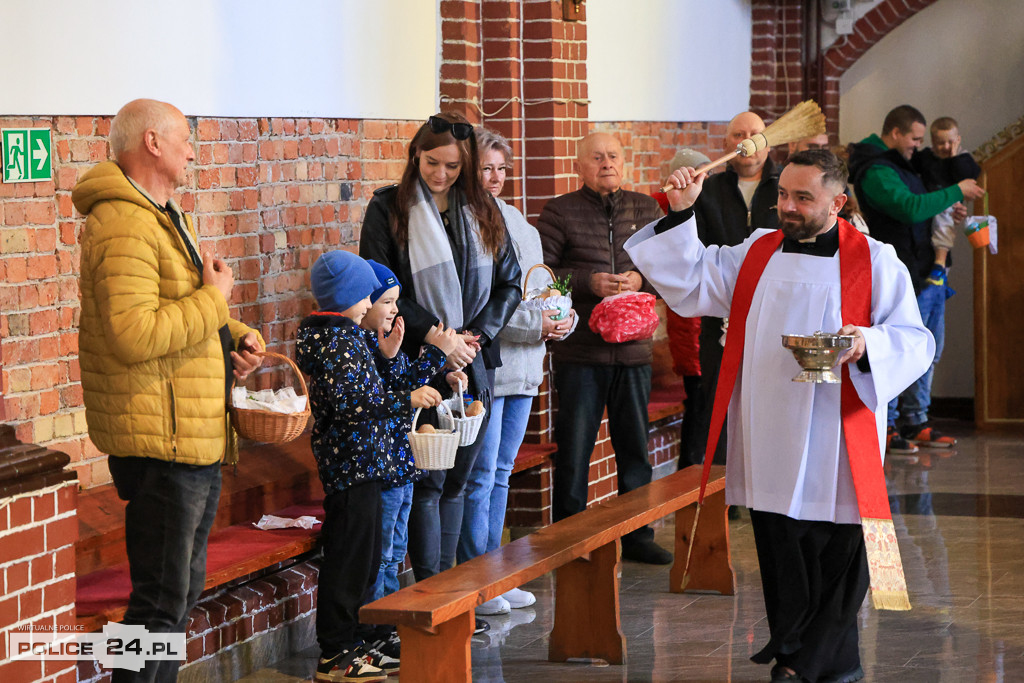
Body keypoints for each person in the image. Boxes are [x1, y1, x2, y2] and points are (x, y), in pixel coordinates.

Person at [625, 149, 934, 683]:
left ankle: (805, 663)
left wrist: (866, 342)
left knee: (843, 548)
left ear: (837, 202)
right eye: (782, 195)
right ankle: (797, 653)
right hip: (769, 424)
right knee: (780, 546)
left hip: (839, 427)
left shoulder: (876, 259)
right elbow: (694, 283)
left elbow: (915, 340)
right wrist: (680, 213)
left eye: (802, 198)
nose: (786, 207)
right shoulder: (759, 250)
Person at [73, 99, 264, 683]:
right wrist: (215, 302)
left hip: (190, 437)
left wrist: (235, 333)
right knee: (155, 606)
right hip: (158, 444)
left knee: (176, 600)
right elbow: (134, 335)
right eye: (184, 138)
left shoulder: (163, 213)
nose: (192, 149)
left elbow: (184, 305)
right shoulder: (123, 222)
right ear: (151, 143)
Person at [359, 113, 522, 591]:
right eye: (432, 163)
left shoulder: (483, 208)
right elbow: (380, 284)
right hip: (417, 360)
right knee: (429, 482)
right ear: (416, 156)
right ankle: (435, 594)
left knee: (462, 483)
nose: (441, 174)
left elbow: (510, 283)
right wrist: (437, 335)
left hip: (474, 362)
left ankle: (457, 594)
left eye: (452, 166)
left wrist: (474, 338)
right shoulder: (389, 207)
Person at [298, 250, 447, 682]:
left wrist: (393, 358)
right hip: (351, 466)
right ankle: (336, 652)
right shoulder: (333, 340)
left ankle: (359, 641)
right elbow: (353, 405)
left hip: (368, 464)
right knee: (347, 562)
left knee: (364, 561)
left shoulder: (349, 337)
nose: (370, 302)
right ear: (344, 295)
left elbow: (375, 389)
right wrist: (407, 398)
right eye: (365, 295)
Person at [537, 131, 672, 565]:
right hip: (580, 352)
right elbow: (545, 277)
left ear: (624, 161)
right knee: (574, 449)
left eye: (613, 156)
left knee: (635, 446)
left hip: (634, 350)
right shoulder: (559, 212)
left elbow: (667, 271)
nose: (606, 163)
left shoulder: (647, 208)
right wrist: (587, 282)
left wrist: (641, 281)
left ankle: (638, 535)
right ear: (580, 165)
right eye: (597, 157)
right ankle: (569, 539)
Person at [460, 127, 577, 614]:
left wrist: (564, 316)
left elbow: (540, 290)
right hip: (491, 365)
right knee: (480, 476)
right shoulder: (462, 222)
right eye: (486, 168)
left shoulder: (520, 224)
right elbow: (483, 306)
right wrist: (538, 324)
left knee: (503, 473)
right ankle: (476, 578)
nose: (495, 177)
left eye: (502, 169)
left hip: (527, 369)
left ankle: (498, 574)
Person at [848, 105, 985, 453]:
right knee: (896, 350)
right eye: (915, 138)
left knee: (927, 351)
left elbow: (923, 204)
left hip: (927, 271)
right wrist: (955, 192)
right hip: (901, 274)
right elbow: (908, 208)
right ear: (895, 134)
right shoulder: (876, 169)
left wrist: (946, 208)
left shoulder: (903, 162)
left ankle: (916, 420)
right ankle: (890, 423)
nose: (918, 146)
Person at [360, 259, 462, 659]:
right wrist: (399, 358)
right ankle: (381, 628)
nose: (393, 311)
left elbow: (407, 382)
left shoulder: (387, 343)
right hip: (382, 467)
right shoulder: (362, 346)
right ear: (362, 304)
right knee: (382, 553)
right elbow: (383, 399)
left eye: (396, 303)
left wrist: (443, 374)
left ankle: (394, 622)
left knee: (396, 547)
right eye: (386, 302)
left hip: (403, 465)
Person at [693, 111, 781, 466]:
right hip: (722, 316)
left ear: (767, 142)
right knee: (720, 401)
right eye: (738, 134)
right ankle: (723, 497)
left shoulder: (786, 187)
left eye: (755, 134)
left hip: (775, 313)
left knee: (771, 401)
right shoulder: (708, 190)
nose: (746, 140)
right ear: (726, 143)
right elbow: (695, 251)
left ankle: (767, 483)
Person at [652, 148, 713, 469]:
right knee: (700, 407)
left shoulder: (707, 205)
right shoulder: (668, 209)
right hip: (691, 326)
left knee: (706, 407)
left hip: (707, 323)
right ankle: (691, 476)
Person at [914, 116, 981, 285]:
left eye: (950, 142)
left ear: (958, 140)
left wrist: (953, 157)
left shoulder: (963, 158)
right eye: (940, 143)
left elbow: (968, 175)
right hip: (929, 201)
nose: (945, 147)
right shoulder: (926, 157)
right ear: (932, 141)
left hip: (949, 204)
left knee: (944, 217)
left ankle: (940, 262)